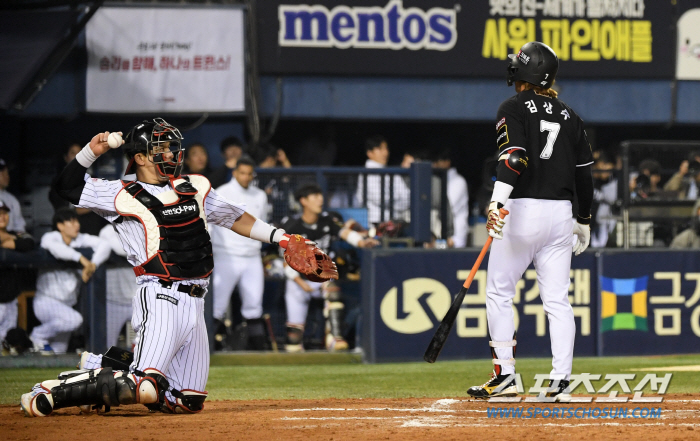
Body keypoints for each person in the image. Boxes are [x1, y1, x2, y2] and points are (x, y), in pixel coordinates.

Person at [20, 118, 309, 417]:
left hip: (196, 303)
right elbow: (64, 189)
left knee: (187, 400)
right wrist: (91, 152)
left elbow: (235, 217)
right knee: (144, 386)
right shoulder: (120, 192)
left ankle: (100, 367)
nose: (170, 154)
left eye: (172, 147)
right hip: (159, 295)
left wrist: (284, 239)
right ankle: (51, 392)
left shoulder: (193, 185)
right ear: (141, 157)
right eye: (161, 148)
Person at [466, 42, 593, 401]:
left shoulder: (512, 107)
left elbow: (515, 158)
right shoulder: (572, 116)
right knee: (557, 301)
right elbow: (585, 177)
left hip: (522, 210)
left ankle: (505, 376)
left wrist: (496, 201)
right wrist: (583, 219)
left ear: (523, 73)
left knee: (499, 292)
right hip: (561, 216)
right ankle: (560, 382)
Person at [281, 184, 378, 352]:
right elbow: (285, 261)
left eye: (320, 195)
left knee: (332, 288)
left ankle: (335, 338)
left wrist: (362, 242)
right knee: (293, 343)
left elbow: (346, 233)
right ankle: (296, 346)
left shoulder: (327, 220)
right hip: (297, 281)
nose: (320, 199)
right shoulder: (292, 226)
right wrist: (300, 282)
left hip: (321, 277)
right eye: (315, 196)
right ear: (303, 201)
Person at [29, 208, 111, 354]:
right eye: (71, 221)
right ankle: (37, 335)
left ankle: (37, 353)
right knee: (75, 320)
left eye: (76, 221)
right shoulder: (51, 237)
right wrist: (82, 259)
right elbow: (57, 249)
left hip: (67, 305)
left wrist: (93, 264)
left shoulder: (80, 239)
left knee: (58, 352)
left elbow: (105, 245)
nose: (76, 225)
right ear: (60, 225)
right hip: (46, 301)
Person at [210, 157, 271, 350]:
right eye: (242, 173)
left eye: (249, 173)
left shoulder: (260, 195)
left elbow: (261, 224)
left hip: (252, 255)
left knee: (254, 304)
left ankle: (257, 351)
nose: (245, 177)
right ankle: (207, 348)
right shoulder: (221, 193)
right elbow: (210, 226)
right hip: (226, 255)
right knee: (217, 305)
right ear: (234, 172)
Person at [49, 143, 108, 236]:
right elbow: (60, 206)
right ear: (66, 158)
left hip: (91, 228)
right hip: (68, 225)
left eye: (80, 153)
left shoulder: (94, 180)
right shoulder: (59, 181)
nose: (77, 156)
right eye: (73, 153)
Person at [0, 200, 35, 355]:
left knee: (5, 347)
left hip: (10, 301)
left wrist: (9, 240)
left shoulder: (15, 234)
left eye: (4, 213)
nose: (3, 216)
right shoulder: (13, 236)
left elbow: (29, 242)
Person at [354, 136, 411, 225]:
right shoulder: (367, 172)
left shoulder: (392, 172)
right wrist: (398, 201)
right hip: (373, 223)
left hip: (396, 222)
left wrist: (394, 203)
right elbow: (379, 198)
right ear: (370, 153)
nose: (385, 152)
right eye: (380, 149)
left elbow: (407, 196)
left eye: (386, 148)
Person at [99, 224, 138, 349]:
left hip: (136, 302)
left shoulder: (139, 228)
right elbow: (120, 249)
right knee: (107, 347)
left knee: (147, 338)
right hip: (113, 302)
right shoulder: (107, 230)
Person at [432, 150, 469, 248]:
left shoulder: (458, 181)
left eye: (438, 161)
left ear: (447, 162)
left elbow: (447, 206)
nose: (435, 165)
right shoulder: (437, 180)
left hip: (455, 236)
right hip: (441, 236)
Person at [590, 150, 618, 248]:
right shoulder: (587, 177)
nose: (607, 173)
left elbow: (611, 199)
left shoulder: (610, 181)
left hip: (602, 224)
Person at [0, 158, 26, 233]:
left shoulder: (11, 199)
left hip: (9, 238)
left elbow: (20, 227)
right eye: (2, 172)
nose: (6, 176)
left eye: (7, 172)